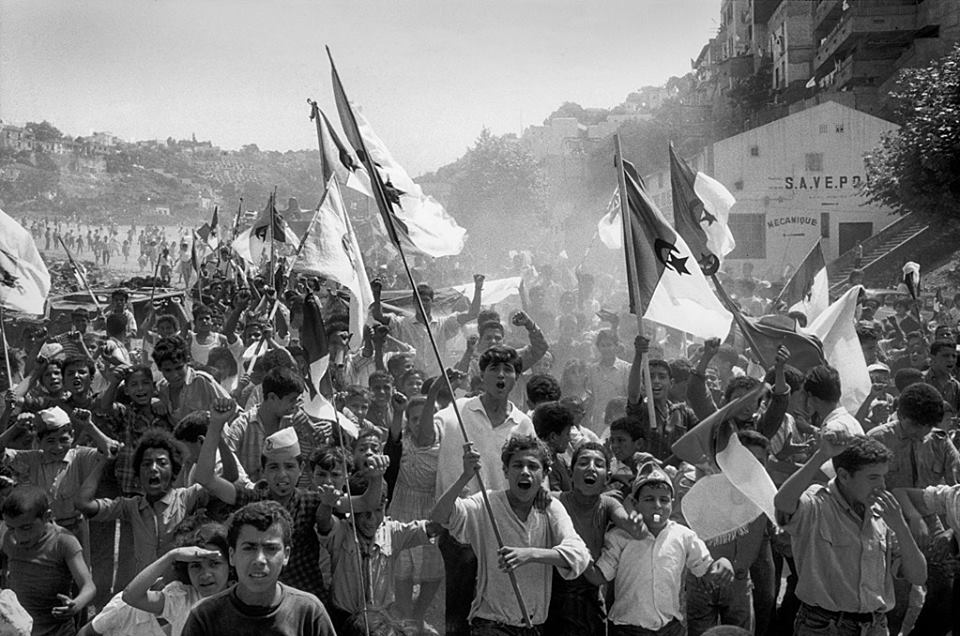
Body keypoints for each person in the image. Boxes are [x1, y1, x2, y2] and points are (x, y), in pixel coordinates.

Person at [432, 436, 591, 633]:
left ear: (544, 474)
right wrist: (465, 477)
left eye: (533, 466)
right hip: (491, 623)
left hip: (533, 625)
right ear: (506, 471)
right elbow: (440, 516)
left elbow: (579, 555)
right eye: (517, 465)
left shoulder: (550, 508)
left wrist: (530, 554)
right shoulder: (486, 503)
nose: (525, 471)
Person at [774, 433, 927, 636]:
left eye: (883, 476)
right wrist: (821, 456)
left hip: (874, 626)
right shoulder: (819, 503)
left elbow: (918, 576)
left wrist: (900, 526)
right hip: (825, 627)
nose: (882, 485)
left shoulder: (883, 514)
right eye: (873, 477)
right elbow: (782, 503)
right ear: (844, 476)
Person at [586, 462, 734, 636]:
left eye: (664, 500)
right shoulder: (620, 537)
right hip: (627, 628)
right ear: (635, 503)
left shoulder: (684, 536)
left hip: (669, 629)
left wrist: (723, 563)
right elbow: (600, 576)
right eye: (649, 499)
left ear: (672, 503)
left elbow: (706, 570)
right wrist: (580, 557)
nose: (657, 505)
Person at [180, 501, 336, 635]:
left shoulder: (308, 612)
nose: (259, 560)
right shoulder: (204, 617)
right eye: (249, 548)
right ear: (232, 555)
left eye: (271, 549)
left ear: (286, 555)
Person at [545, 442, 644, 636]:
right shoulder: (554, 500)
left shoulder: (608, 504)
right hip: (554, 594)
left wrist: (635, 522)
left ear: (607, 477)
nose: (591, 468)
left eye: (598, 464)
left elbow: (626, 521)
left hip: (590, 594)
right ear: (571, 473)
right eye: (583, 463)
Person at [2, 485, 96, 636]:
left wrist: (75, 605)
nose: (18, 536)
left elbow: (89, 586)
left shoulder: (62, 542)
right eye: (11, 528)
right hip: (17, 629)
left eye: (26, 528)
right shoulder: (8, 539)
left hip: (57, 631)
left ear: (47, 516)